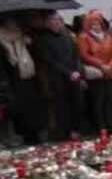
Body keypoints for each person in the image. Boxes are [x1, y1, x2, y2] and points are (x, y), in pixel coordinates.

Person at [36, 12, 85, 141]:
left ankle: (76, 130)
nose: (57, 22)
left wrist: (78, 71)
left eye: (58, 20)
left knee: (77, 104)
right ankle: (64, 133)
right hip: (58, 78)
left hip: (74, 76)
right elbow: (50, 61)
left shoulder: (67, 35)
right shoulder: (43, 39)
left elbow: (76, 54)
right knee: (62, 108)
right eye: (53, 20)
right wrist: (69, 73)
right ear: (48, 23)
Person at [0, 17, 43, 144]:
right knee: (20, 111)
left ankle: (35, 135)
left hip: (28, 76)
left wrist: (30, 43)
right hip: (13, 79)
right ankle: (24, 136)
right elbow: (1, 59)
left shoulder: (23, 36)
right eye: (11, 22)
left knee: (32, 109)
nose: (14, 24)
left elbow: (35, 56)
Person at [77, 10, 112, 134]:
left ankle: (111, 125)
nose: (96, 26)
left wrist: (110, 65)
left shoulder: (108, 36)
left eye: (98, 23)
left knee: (110, 99)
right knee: (98, 101)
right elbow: (84, 55)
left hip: (109, 72)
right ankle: (101, 126)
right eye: (93, 24)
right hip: (96, 74)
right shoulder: (84, 37)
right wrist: (101, 65)